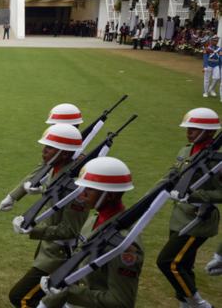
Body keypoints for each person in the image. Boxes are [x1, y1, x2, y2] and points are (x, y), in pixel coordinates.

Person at [38, 157, 143, 308]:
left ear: (110, 195)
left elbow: (121, 302)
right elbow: (78, 264)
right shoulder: (93, 220)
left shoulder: (124, 243)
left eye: (90, 188)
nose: (82, 194)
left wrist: (69, 293)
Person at [9, 125, 89, 308]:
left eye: (50, 147)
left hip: (60, 256)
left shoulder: (74, 186)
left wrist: (33, 229)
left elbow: (69, 230)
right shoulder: (56, 170)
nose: (43, 150)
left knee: (21, 297)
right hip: (48, 250)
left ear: (64, 154)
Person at [152, 108, 222, 307]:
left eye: (194, 128)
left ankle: (199, 304)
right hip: (179, 216)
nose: (188, 132)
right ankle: (185, 304)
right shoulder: (186, 150)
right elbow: (171, 174)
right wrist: (150, 196)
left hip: (198, 218)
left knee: (168, 262)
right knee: (184, 265)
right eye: (188, 128)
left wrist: (194, 195)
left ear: (210, 132)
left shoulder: (218, 160)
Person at [0, 103, 84, 213]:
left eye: (54, 124)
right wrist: (13, 196)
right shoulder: (62, 150)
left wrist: (43, 189)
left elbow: (67, 185)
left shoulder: (77, 154)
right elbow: (41, 169)